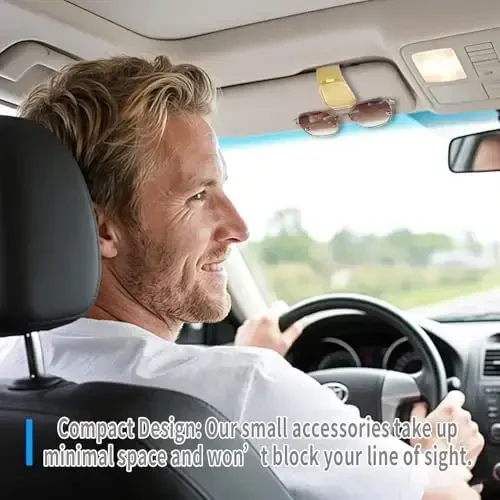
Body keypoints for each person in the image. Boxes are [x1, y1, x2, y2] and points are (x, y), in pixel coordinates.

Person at [0, 55, 484, 500]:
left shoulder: (13, 386)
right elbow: (444, 495)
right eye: (197, 195)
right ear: (104, 229)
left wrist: (242, 360)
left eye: (222, 189)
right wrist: (444, 455)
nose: (239, 227)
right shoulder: (248, 391)